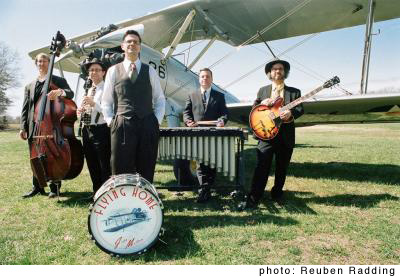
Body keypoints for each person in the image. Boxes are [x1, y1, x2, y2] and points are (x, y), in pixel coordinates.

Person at [238, 59, 304, 210]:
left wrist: (291, 113)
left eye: (280, 69)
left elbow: (300, 109)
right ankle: (255, 196)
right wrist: (262, 104)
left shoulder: (294, 92)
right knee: (262, 166)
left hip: (285, 135)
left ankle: (277, 194)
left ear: (285, 72)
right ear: (270, 73)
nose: (278, 71)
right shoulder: (263, 90)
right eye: (274, 69)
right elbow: (254, 109)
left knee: (282, 167)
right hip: (265, 134)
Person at [101, 30, 165, 183]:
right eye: (129, 41)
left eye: (136, 42)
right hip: (122, 124)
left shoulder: (149, 70)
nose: (132, 44)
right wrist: (111, 121)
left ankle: (145, 201)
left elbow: (160, 98)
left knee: (147, 166)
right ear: (123, 46)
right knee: (120, 166)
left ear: (140, 47)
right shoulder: (112, 71)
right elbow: (106, 100)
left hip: (147, 124)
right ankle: (122, 202)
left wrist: (155, 121)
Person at [20, 53, 74, 198]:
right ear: (36, 64)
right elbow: (25, 108)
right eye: (38, 61)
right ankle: (37, 186)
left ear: (49, 63)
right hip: (34, 126)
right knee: (35, 156)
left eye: (44, 61)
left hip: (51, 125)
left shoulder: (57, 80)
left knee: (52, 156)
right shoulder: (30, 85)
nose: (41, 63)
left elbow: (70, 93)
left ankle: (54, 187)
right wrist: (22, 127)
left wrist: (59, 92)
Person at [183, 68, 229, 203]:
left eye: (207, 76)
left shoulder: (219, 96)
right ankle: (204, 189)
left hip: (214, 134)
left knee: (212, 163)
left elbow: (224, 113)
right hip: (198, 134)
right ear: (199, 79)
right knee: (200, 163)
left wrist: (222, 121)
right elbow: (186, 113)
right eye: (202, 76)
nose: (205, 79)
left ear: (211, 79)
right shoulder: (192, 95)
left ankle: (207, 187)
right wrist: (188, 121)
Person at [77, 58, 111, 195]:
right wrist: (80, 111)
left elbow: (110, 111)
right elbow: (85, 110)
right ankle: (96, 193)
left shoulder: (108, 88)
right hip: (87, 129)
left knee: (104, 164)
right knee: (91, 163)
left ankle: (106, 194)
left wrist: (93, 104)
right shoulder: (89, 89)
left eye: (97, 70)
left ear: (103, 72)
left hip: (102, 130)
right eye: (91, 70)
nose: (94, 72)